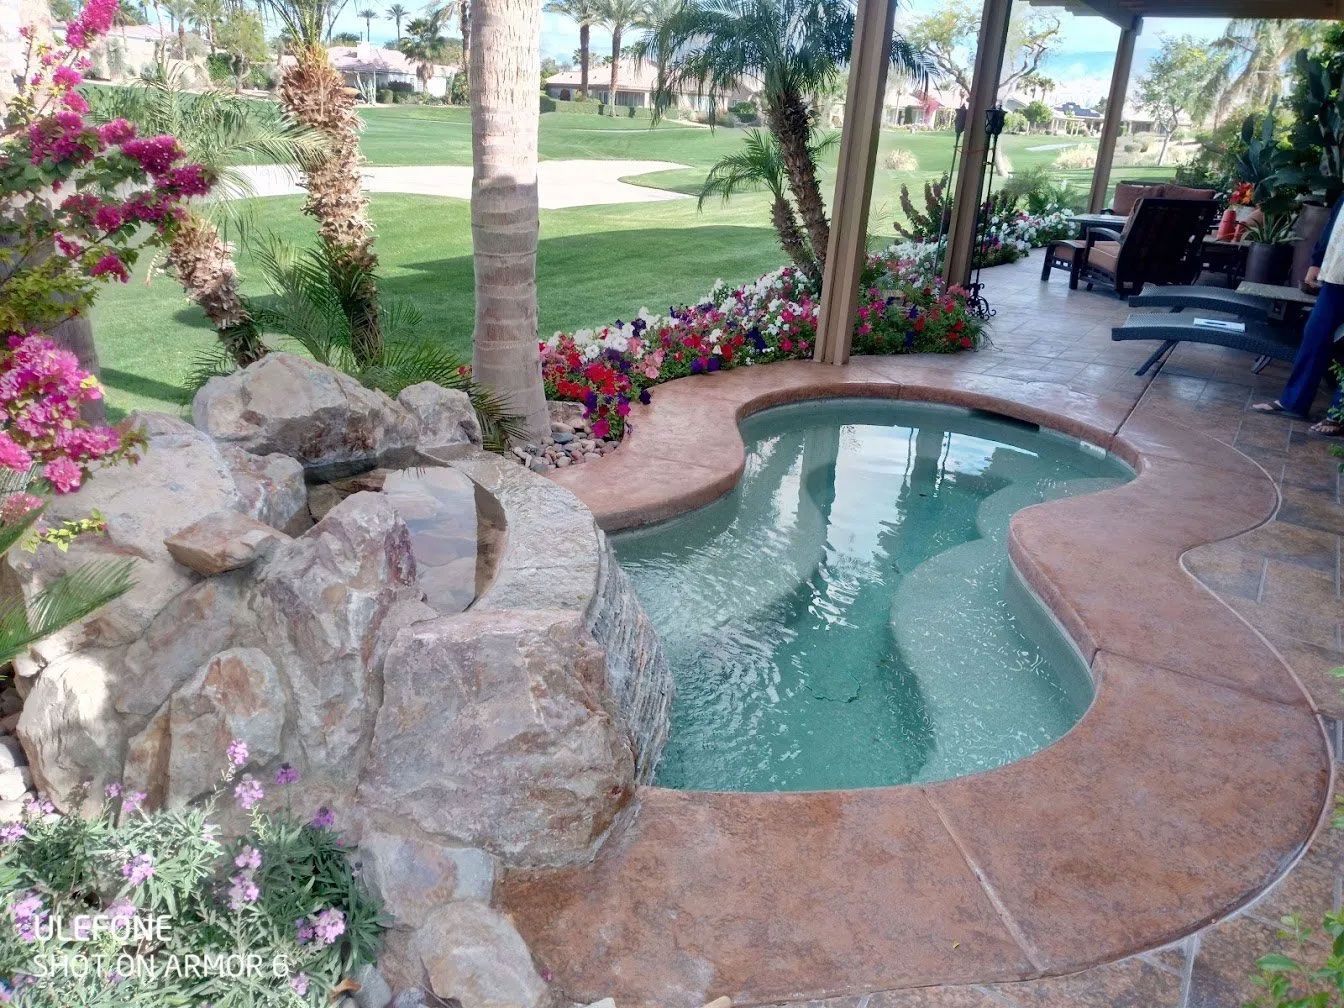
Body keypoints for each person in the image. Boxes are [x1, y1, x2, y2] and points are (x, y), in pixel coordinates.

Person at [1251, 195, 1344, 436]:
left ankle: (1338, 415)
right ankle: (1294, 402)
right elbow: (1334, 222)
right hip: (1336, 275)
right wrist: (1317, 262)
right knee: (1315, 334)